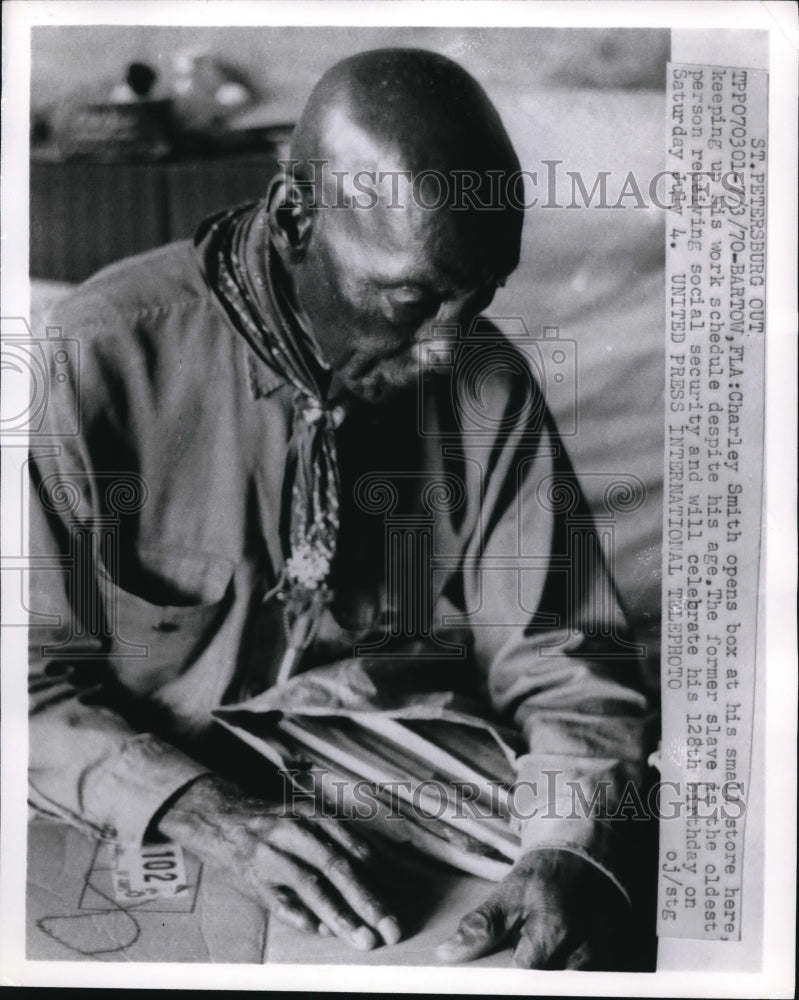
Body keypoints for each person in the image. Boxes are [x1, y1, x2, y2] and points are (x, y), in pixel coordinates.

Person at [28, 48, 652, 968]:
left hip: (411, 841)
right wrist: (197, 808)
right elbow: (25, 681)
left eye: (477, 298)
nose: (446, 348)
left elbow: (563, 659)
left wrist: (569, 846)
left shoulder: (482, 381)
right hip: (149, 825)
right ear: (293, 217)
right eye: (412, 297)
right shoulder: (94, 363)